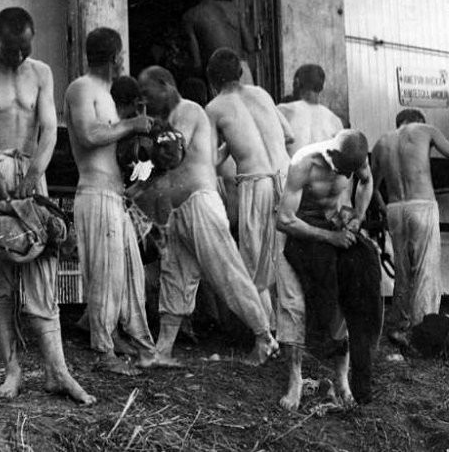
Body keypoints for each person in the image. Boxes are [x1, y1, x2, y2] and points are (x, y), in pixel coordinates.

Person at [0, 7, 94, 404]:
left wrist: (34, 174)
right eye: (12, 49)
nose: (19, 56)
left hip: (32, 168)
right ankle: (12, 370)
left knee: (43, 272)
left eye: (25, 48)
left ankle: (58, 371)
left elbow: (50, 128)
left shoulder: (41, 73)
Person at [134, 66, 279, 367]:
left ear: (166, 84)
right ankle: (163, 350)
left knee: (228, 272)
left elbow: (174, 150)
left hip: (201, 203)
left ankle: (265, 338)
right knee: (174, 277)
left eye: (148, 94)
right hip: (180, 210)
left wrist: (142, 140)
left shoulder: (188, 110)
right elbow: (163, 168)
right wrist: (135, 188)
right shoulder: (166, 121)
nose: (146, 102)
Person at [64, 27, 157, 375]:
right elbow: (89, 136)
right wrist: (133, 123)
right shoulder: (81, 88)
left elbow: (121, 149)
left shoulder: (109, 92)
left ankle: (122, 338)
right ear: (116, 55)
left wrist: (145, 166)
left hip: (115, 196)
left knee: (128, 274)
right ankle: (103, 352)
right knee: (104, 275)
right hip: (94, 192)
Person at [276, 131, 382, 410]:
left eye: (351, 171)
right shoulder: (304, 163)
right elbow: (284, 220)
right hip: (299, 235)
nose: (347, 176)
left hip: (334, 232)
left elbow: (367, 181)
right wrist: (329, 238)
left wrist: (358, 216)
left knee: (349, 303)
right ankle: (295, 380)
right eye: (342, 170)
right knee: (294, 307)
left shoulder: (355, 158)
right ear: (331, 154)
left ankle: (343, 379)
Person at [205, 48, 294, 324]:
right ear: (240, 74)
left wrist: (231, 145)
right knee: (285, 259)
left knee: (255, 265)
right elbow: (289, 135)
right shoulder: (262, 94)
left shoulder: (215, 107)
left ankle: (267, 336)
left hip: (257, 183)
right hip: (287, 177)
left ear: (212, 80)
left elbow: (210, 158)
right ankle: (290, 331)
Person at [372, 109, 449, 335]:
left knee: (402, 270)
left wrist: (383, 208)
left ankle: (401, 324)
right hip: (422, 205)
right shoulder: (426, 130)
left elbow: (370, 186)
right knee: (425, 269)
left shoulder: (382, 142)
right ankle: (424, 330)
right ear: (419, 121)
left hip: (395, 209)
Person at [183, 0, 256, 85]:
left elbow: (197, 63)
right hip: (241, 70)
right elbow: (250, 47)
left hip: (220, 74)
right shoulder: (234, 8)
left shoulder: (191, 16)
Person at [276, 64, 344, 155]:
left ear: (297, 82)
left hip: (292, 168)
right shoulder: (335, 121)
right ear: (321, 88)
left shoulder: (283, 112)